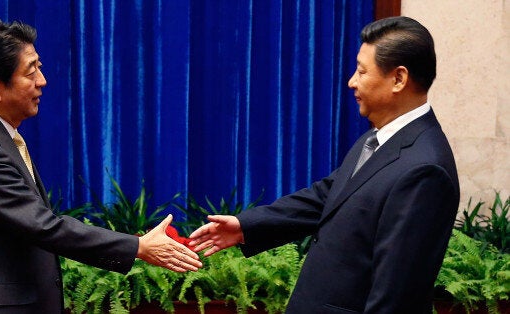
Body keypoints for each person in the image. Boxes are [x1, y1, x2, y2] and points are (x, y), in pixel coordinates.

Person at [189, 16, 459, 313]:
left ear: (398, 79)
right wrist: (246, 226)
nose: (351, 82)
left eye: (361, 71)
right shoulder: (380, 136)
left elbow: (396, 297)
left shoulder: (425, 170)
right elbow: (328, 196)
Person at [0, 19, 201, 313]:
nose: (42, 80)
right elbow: (44, 227)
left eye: (39, 67)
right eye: (31, 71)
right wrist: (138, 247)